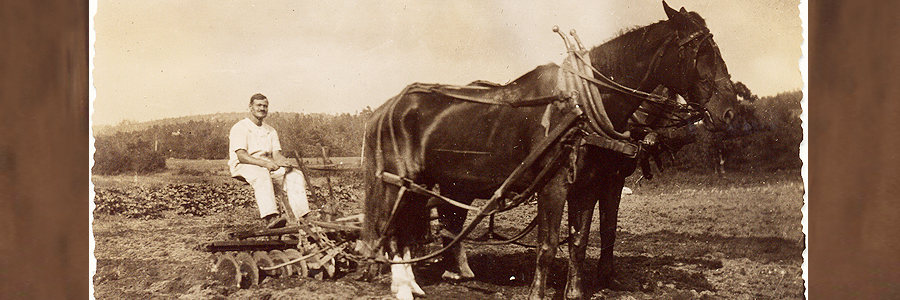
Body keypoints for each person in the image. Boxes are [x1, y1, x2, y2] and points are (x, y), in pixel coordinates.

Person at [229, 93, 310, 228]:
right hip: (244, 165)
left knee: (295, 174)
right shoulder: (240, 127)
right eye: (258, 105)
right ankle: (270, 217)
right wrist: (265, 164)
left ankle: (303, 217)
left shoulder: (270, 130)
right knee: (262, 174)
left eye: (265, 106)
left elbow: (276, 155)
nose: (262, 109)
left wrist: (286, 163)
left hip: (266, 166)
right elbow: (242, 156)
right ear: (250, 107)